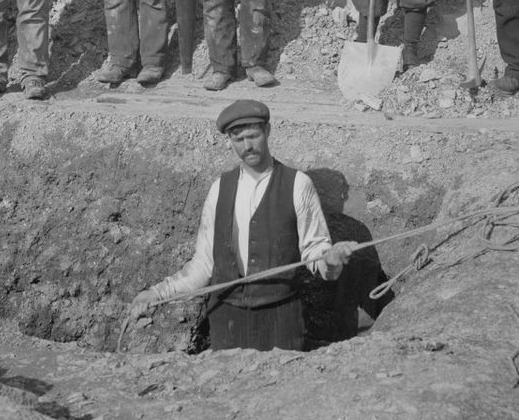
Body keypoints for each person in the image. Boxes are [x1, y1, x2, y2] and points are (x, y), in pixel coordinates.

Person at [130, 100, 355, 351]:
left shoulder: (298, 185)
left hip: (281, 321)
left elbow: (315, 251)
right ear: (230, 140)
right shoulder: (219, 189)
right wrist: (156, 293)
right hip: (227, 321)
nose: (247, 146)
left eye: (253, 136)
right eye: (239, 139)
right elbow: (203, 266)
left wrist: (331, 262)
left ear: (267, 131)